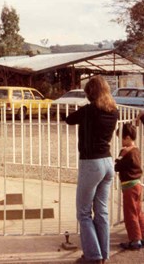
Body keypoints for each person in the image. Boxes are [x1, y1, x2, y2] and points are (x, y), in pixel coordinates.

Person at [65, 75, 118, 264]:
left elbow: (69, 119)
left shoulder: (88, 111)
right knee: (102, 211)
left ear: (90, 92)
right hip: (107, 163)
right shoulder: (114, 110)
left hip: (91, 164)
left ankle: (92, 256)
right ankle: (104, 255)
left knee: (84, 212)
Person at [114, 123, 144, 250]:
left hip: (129, 187)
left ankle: (135, 240)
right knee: (138, 212)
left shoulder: (126, 152)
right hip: (138, 184)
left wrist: (119, 158)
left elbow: (117, 166)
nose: (120, 141)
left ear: (126, 137)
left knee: (130, 213)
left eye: (120, 138)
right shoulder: (136, 150)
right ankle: (142, 235)